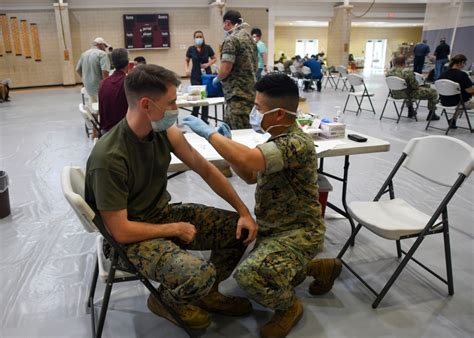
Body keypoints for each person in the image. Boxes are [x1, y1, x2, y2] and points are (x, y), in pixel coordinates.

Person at [85, 64, 258, 330]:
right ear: (146, 105)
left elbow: (206, 169)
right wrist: (174, 228)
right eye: (172, 102)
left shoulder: (162, 131)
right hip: (130, 240)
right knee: (200, 274)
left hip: (160, 217)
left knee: (239, 229)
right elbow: (120, 231)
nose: (177, 109)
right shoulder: (109, 157)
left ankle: (208, 293)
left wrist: (244, 211)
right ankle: (166, 301)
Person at [183, 73, 342, 338]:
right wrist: (229, 149)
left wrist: (211, 135)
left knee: (249, 276)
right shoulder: (275, 139)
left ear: (279, 114)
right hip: (274, 229)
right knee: (254, 255)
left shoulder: (296, 143)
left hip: (299, 233)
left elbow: (251, 161)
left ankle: (289, 307)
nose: (255, 113)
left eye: (259, 108)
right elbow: (250, 175)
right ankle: (318, 268)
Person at [213, 10, 257, 129]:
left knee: (238, 135)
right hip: (251, 92)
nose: (224, 27)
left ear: (227, 22)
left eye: (224, 24)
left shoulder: (231, 40)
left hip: (237, 95)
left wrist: (218, 78)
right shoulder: (250, 39)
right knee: (247, 131)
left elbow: (226, 68)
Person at [387, 55, 440, 120]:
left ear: (394, 62)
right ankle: (432, 114)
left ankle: (411, 110)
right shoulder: (407, 72)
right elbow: (415, 86)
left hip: (394, 94)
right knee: (433, 92)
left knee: (407, 88)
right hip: (407, 95)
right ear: (404, 62)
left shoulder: (389, 72)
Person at [185, 30, 217, 124]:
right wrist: (187, 69)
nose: (199, 38)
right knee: (196, 96)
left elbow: (214, 58)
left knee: (204, 96)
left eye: (200, 37)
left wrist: (208, 64)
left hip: (206, 76)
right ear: (194, 38)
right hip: (195, 75)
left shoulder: (207, 48)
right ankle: (194, 116)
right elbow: (186, 60)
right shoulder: (191, 49)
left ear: (203, 38)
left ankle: (204, 118)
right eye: (197, 37)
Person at [98, 48, 129, 134]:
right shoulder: (128, 83)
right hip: (120, 133)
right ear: (127, 62)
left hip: (105, 131)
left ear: (112, 63)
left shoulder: (103, 83)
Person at [439, 54, 474, 128]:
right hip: (458, 102)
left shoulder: (443, 74)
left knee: (461, 99)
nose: (464, 65)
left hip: (444, 101)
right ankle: (453, 119)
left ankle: (453, 120)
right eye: (464, 63)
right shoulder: (462, 75)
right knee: (464, 100)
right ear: (461, 62)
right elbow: (470, 90)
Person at [76, 37, 111, 104]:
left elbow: (78, 69)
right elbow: (105, 72)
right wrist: (107, 88)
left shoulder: (84, 54)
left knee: (93, 106)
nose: (105, 48)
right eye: (105, 46)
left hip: (88, 87)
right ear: (100, 44)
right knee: (103, 106)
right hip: (99, 88)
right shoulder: (102, 54)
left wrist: (84, 79)